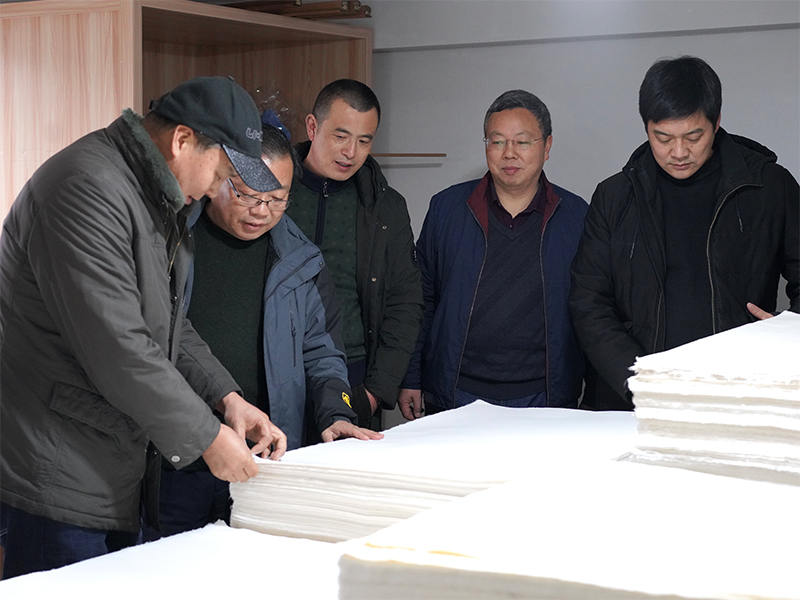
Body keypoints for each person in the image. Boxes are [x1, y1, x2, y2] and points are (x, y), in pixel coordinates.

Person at [0, 76, 288, 578]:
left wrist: (226, 398)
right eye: (221, 173)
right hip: (57, 469)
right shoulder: (86, 190)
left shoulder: (149, 196)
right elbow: (119, 348)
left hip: (109, 457)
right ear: (182, 141)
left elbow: (166, 323)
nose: (216, 190)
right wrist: (207, 437)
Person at [153, 125, 382, 538]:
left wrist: (335, 412)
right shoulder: (170, 243)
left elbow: (322, 351)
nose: (262, 211)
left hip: (262, 456)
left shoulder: (301, 258)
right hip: (177, 455)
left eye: (277, 199)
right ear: (218, 178)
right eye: (247, 195)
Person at [570, 56, 800, 410]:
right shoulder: (615, 197)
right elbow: (589, 300)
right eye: (662, 138)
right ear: (646, 127)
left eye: (694, 136)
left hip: (741, 391)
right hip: (638, 400)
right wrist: (638, 379)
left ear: (716, 122)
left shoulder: (769, 187)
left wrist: (789, 334)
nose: (679, 153)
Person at [399, 90, 588, 419]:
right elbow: (421, 299)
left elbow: (592, 310)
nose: (509, 153)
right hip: (456, 391)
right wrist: (411, 377)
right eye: (497, 141)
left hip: (544, 395)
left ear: (547, 146)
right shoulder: (447, 209)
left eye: (522, 142)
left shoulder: (576, 216)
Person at [287, 79, 423, 430]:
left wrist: (375, 393)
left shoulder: (386, 207)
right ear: (312, 127)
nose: (351, 152)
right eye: (341, 136)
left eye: (364, 141)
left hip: (354, 374)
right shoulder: (272, 192)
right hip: (275, 369)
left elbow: (405, 303)